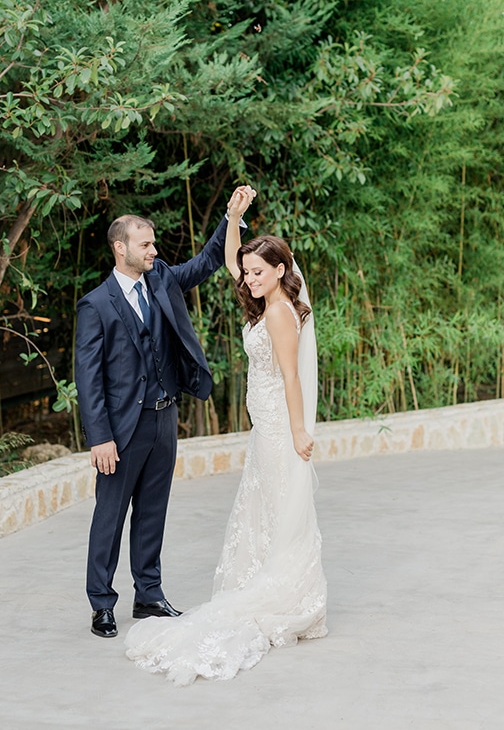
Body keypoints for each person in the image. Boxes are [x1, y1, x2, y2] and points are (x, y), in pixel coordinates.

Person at [125, 190, 327, 684]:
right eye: (250, 272)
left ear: (281, 270)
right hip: (264, 426)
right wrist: (233, 217)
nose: (249, 278)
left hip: (281, 425)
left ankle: (288, 594)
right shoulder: (264, 298)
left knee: (282, 505)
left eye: (259, 271)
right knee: (263, 505)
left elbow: (292, 378)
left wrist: (300, 429)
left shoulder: (280, 314)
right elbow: (234, 261)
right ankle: (267, 578)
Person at [75, 187, 255, 639]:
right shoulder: (95, 305)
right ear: (121, 248)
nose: (154, 250)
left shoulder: (163, 279)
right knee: (110, 517)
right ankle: (102, 604)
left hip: (163, 419)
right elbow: (88, 377)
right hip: (119, 429)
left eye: (153, 244)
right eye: (145, 244)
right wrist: (100, 437)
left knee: (153, 512)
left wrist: (231, 216)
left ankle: (149, 595)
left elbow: (210, 259)